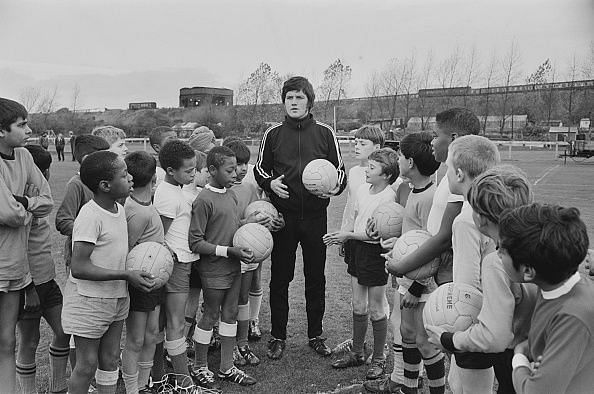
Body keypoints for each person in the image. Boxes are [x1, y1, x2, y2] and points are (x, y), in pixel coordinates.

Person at [254, 76, 347, 360]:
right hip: (283, 219)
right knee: (280, 278)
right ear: (284, 102)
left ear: (309, 101)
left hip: (316, 219)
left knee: (315, 278)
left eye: (299, 97)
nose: (293, 103)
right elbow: (259, 169)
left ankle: (315, 334)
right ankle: (278, 336)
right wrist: (270, 184)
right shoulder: (272, 134)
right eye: (289, 98)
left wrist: (335, 186)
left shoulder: (324, 133)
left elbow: (340, 172)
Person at [426, 165, 538, 394]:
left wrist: (449, 339)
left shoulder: (498, 262)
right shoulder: (541, 246)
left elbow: (496, 337)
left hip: (518, 359)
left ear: (481, 218)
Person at [61, 150, 154, 393]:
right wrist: (126, 275)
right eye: (124, 175)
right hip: (89, 301)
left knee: (111, 359)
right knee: (87, 364)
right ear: (105, 185)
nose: (131, 178)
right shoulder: (90, 216)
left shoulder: (119, 209)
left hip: (116, 297)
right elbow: (79, 267)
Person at [369, 131, 444, 394]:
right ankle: (408, 388)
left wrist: (417, 287)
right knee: (408, 336)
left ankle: (437, 390)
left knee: (425, 342)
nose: (397, 159)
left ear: (410, 162)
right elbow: (413, 239)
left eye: (400, 155)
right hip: (407, 278)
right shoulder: (413, 191)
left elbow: (433, 248)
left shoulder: (431, 198)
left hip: (421, 286)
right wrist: (396, 243)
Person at [498, 204, 594, 394]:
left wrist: (519, 357)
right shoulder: (556, 285)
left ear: (527, 271)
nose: (498, 254)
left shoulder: (572, 317)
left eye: (501, 249)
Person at [324, 148, 399, 381]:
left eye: (373, 167)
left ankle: (378, 358)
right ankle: (357, 352)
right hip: (357, 249)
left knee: (376, 307)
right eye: (368, 165)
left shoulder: (388, 198)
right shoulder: (363, 190)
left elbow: (376, 236)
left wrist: (348, 236)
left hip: (374, 252)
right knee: (358, 304)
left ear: (386, 175)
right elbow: (358, 220)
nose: (366, 169)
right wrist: (345, 236)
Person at [385, 107, 482, 285]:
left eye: (436, 136)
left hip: (451, 269)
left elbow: (443, 238)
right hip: (440, 268)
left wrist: (401, 267)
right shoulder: (451, 176)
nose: (433, 142)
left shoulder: (462, 180)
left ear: (454, 139)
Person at [188, 146, 257, 388]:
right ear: (213, 170)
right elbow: (195, 242)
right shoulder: (203, 200)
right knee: (210, 316)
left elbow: (232, 224)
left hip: (233, 265)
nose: (236, 173)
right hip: (214, 269)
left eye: (237, 168)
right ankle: (199, 366)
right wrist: (229, 251)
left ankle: (227, 366)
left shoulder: (231, 194)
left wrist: (251, 225)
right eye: (230, 169)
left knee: (230, 314)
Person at [440, 135, 501, 394]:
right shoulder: (496, 209)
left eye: (447, 168)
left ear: (460, 174)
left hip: (475, 324)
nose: (446, 174)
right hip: (499, 319)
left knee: (464, 387)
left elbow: (467, 288)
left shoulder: (467, 220)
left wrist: (455, 335)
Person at [0, 98, 53, 394]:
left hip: (15, 267)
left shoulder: (24, 157)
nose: (29, 130)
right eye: (22, 125)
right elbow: (8, 213)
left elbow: (46, 201)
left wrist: (24, 203)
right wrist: (23, 208)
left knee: (7, 341)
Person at [17, 145, 70, 394]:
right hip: (27, 285)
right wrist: (29, 289)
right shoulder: (19, 201)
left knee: (64, 331)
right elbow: (17, 248)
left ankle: (57, 387)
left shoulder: (38, 199)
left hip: (47, 281)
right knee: (30, 341)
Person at [121, 151, 169, 394]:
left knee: (152, 335)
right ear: (154, 180)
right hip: (141, 282)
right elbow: (128, 250)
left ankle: (143, 384)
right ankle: (132, 388)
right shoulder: (137, 211)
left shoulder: (146, 205)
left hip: (155, 282)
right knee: (136, 339)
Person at [153, 140, 198, 379]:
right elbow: (159, 236)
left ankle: (159, 375)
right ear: (171, 171)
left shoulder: (175, 189)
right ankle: (183, 378)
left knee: (166, 323)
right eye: (189, 170)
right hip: (175, 264)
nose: (193, 174)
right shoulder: (167, 196)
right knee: (175, 323)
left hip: (182, 261)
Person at [149, 126, 177, 191]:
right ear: (157, 147)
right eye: (171, 140)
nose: (176, 143)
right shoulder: (156, 173)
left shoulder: (182, 167)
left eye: (176, 139)